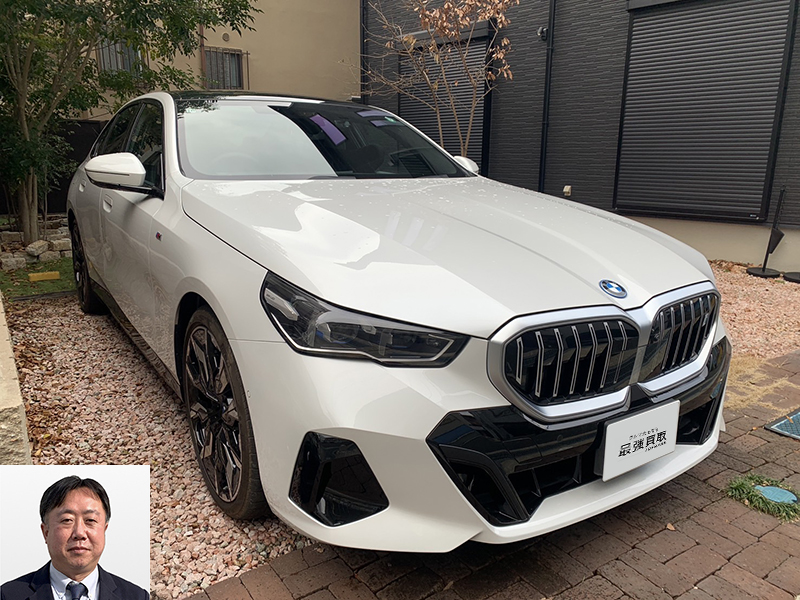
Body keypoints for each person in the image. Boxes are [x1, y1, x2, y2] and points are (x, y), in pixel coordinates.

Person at [0, 476, 148, 600]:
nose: (79, 533)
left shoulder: (136, 596)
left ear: (104, 530)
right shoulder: (8, 595)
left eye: (90, 520)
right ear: (46, 532)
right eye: (67, 520)